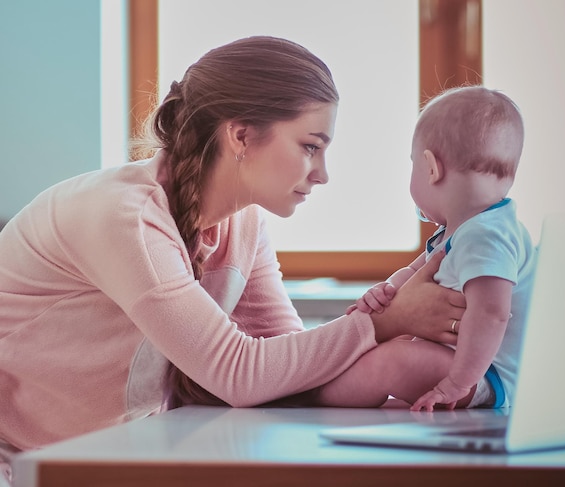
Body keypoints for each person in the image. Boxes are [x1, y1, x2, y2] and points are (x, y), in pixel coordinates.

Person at [0, 36, 465, 483]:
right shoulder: (126, 217)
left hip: (103, 457)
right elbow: (239, 373)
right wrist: (385, 322)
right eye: (310, 146)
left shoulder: (242, 225)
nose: (322, 174)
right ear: (241, 135)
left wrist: (398, 334)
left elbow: (288, 369)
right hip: (21, 464)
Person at [316, 86, 536, 411]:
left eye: (412, 166)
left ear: (431, 168)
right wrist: (387, 291)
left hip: (484, 376)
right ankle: (322, 387)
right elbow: (417, 272)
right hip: (469, 366)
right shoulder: (464, 230)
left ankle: (311, 397)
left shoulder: (486, 236)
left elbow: (491, 313)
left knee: (389, 361)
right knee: (390, 343)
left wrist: (456, 384)